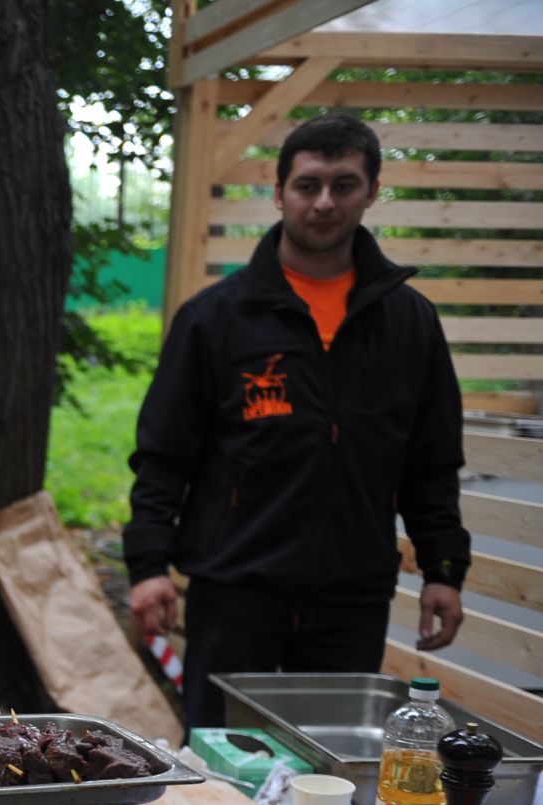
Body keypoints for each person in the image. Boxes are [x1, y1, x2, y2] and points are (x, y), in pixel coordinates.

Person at [124, 113, 470, 730]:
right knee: (225, 765)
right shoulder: (216, 319)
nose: (325, 202)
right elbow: (163, 454)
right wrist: (149, 566)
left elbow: (431, 461)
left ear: (372, 191)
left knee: (331, 779)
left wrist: (444, 569)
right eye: (308, 185)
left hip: (353, 600)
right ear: (280, 191)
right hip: (235, 594)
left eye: (344, 185)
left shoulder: (410, 323)